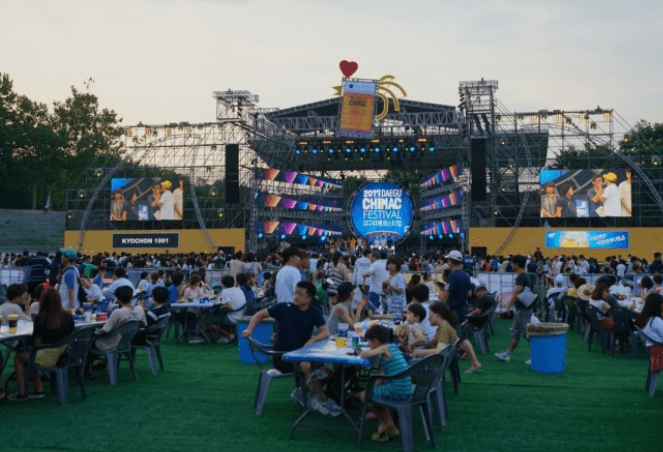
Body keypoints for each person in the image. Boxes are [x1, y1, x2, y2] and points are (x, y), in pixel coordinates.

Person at [241, 281, 329, 406]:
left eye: (300, 294)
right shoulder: (283, 308)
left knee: (327, 371)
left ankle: (304, 392)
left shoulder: (314, 312)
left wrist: (312, 340)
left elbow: (326, 332)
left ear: (309, 298)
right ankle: (319, 398)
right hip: (283, 357)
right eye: (295, 293)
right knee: (309, 366)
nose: (296, 296)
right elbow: (260, 314)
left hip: (302, 354)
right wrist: (249, 329)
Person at [10, 289, 75, 401]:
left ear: (42, 302)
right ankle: (37, 389)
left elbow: (38, 345)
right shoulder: (68, 316)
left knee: (21, 357)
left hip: (50, 357)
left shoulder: (41, 319)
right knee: (30, 355)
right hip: (67, 355)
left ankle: (23, 393)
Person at [352, 324, 412, 442]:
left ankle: (388, 424)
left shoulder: (385, 348)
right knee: (370, 392)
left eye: (369, 342)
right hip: (405, 387)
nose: (369, 345)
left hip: (397, 389)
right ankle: (387, 423)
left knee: (364, 396)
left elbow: (364, 354)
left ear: (374, 341)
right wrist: (372, 387)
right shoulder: (393, 347)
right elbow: (382, 373)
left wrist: (361, 350)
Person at [412, 302, 482, 373]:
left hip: (433, 363)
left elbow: (439, 350)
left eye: (430, 315)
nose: (428, 318)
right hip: (436, 361)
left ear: (437, 315)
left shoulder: (444, 329)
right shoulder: (444, 327)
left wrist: (418, 352)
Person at [90, 286, 147, 371]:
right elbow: (144, 324)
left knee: (89, 342)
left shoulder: (117, 312)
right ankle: (102, 363)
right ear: (131, 297)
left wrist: (95, 333)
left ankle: (85, 368)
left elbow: (105, 330)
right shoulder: (139, 310)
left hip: (111, 343)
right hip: (126, 343)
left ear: (117, 299)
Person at [495, 254, 535, 364]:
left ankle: (536, 356)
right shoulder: (524, 276)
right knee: (515, 333)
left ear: (517, 264)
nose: (511, 265)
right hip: (522, 310)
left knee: (527, 334)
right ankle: (507, 354)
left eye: (513, 263)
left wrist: (508, 307)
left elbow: (515, 294)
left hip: (523, 310)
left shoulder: (521, 277)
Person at [440, 250, 472, 324]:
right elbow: (469, 293)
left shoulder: (452, 275)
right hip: (463, 308)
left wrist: (438, 307)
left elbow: (446, 295)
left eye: (448, 260)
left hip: (453, 309)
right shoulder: (466, 275)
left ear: (451, 261)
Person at [217, 275, 246, 343]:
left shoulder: (225, 291)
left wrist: (221, 307)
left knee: (212, 320)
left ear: (223, 283)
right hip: (242, 313)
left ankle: (228, 335)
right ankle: (228, 335)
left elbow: (230, 306)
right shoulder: (239, 289)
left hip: (234, 315)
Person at [58, 247, 80, 312]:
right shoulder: (74, 270)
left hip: (66, 307)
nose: (61, 257)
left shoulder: (69, 272)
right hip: (67, 306)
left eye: (63, 256)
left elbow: (71, 289)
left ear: (67, 258)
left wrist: (71, 306)